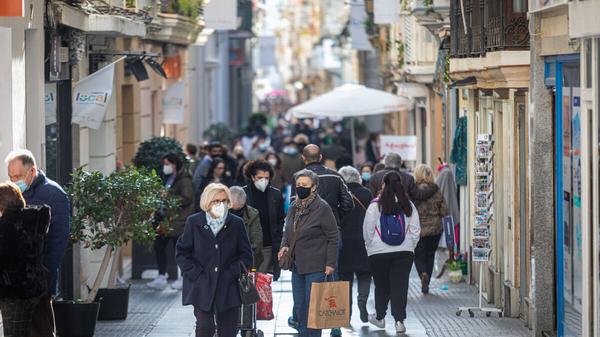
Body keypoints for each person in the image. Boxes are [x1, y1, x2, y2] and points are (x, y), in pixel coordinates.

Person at [6, 149, 70, 336]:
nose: (13, 181)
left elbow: (58, 240)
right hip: (17, 282)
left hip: (39, 280)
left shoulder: (54, 194)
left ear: (32, 171)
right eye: (10, 176)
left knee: (41, 329)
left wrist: (43, 273)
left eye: (17, 176)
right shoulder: (14, 193)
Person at [176, 183, 253, 337]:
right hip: (202, 285)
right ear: (207, 202)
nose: (221, 204)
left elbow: (246, 256)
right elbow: (182, 253)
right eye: (216, 201)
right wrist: (196, 274)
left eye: (224, 200)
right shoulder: (194, 222)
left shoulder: (236, 223)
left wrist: (232, 272)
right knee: (205, 328)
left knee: (228, 331)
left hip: (229, 287)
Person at [278, 169, 338, 337]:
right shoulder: (293, 206)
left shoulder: (322, 207)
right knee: (299, 307)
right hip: (297, 265)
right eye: (298, 185)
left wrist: (330, 264)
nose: (300, 188)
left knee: (313, 308)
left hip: (317, 265)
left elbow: (333, 237)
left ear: (314, 187)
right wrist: (284, 245)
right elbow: (287, 230)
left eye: (304, 185)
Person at [363, 171, 420, 334]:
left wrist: (370, 248)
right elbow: (416, 229)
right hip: (404, 251)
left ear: (384, 185)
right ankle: (399, 321)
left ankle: (380, 318)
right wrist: (411, 246)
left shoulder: (375, 205)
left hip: (378, 252)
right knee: (400, 285)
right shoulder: (408, 205)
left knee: (381, 285)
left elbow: (367, 230)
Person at [0, 182, 50, 337]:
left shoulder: (7, 227)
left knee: (14, 334)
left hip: (14, 292)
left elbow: (6, 261)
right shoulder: (32, 220)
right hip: (35, 288)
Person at [147, 153, 195, 290]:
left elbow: (186, 198)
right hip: (168, 220)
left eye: (167, 163)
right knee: (160, 246)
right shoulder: (171, 178)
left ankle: (181, 277)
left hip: (178, 221)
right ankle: (162, 276)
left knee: (177, 249)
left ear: (174, 164)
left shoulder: (184, 180)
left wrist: (168, 197)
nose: (165, 166)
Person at [337, 166, 374, 323]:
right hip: (364, 240)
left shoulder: (339, 195)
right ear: (358, 177)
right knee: (365, 273)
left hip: (344, 241)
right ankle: (362, 302)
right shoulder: (367, 193)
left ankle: (347, 312)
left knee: (345, 278)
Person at [243, 160, 286, 281]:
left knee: (260, 281)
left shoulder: (275, 195)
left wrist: (278, 238)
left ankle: (259, 300)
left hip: (267, 245)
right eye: (260, 177)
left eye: (266, 178)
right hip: (247, 246)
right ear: (252, 177)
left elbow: (280, 219)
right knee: (246, 282)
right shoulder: (243, 194)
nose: (263, 181)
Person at [412, 164, 449, 294]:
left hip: (418, 229)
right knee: (430, 255)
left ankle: (423, 274)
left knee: (418, 256)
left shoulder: (413, 190)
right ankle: (426, 280)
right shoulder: (436, 190)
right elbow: (445, 210)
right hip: (435, 229)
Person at [300, 144, 354, 225]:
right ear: (320, 157)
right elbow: (348, 203)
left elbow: (295, 205)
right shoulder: (336, 176)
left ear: (303, 158)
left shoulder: (298, 178)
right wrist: (335, 215)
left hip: (308, 228)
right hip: (332, 225)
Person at [368, 153, 436, 203]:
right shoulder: (408, 178)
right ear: (400, 163)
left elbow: (371, 197)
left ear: (385, 162)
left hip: (381, 213)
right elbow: (419, 195)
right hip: (402, 216)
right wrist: (433, 187)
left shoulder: (375, 177)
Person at [229, 186, 263, 267]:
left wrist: (244, 257)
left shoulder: (252, 214)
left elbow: (257, 241)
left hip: (246, 259)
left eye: (238, 209)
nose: (235, 212)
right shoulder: (220, 212)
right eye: (232, 208)